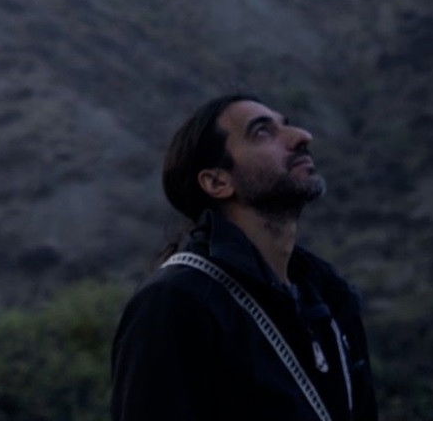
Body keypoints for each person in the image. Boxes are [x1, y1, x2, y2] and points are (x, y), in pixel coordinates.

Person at [111, 94, 377, 421]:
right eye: (262, 132)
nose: (301, 137)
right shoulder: (176, 302)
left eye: (287, 125)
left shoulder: (330, 296)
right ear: (217, 181)